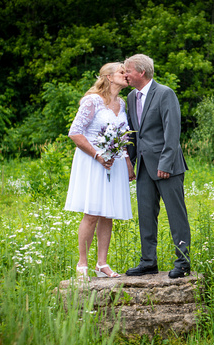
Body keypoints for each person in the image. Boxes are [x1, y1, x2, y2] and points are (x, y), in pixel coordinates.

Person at [64, 62, 136, 280]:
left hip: (115, 163)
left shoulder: (122, 103)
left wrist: (127, 163)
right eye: (122, 72)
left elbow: (122, 138)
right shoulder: (92, 101)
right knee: (93, 212)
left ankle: (102, 264)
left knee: (108, 213)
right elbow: (75, 133)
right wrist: (98, 155)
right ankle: (82, 264)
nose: (126, 75)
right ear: (107, 77)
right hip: (93, 161)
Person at [123, 54, 191, 279]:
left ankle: (182, 261)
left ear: (141, 72)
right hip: (143, 167)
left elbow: (172, 130)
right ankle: (148, 261)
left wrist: (166, 163)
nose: (125, 75)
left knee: (176, 214)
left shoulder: (165, 93)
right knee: (145, 215)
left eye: (128, 71)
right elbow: (133, 133)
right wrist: (129, 163)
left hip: (167, 166)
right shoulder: (131, 97)